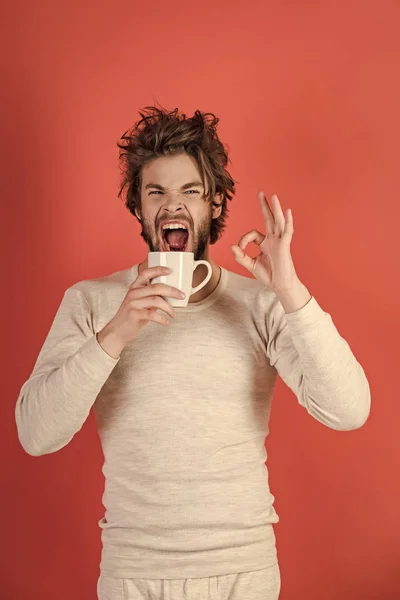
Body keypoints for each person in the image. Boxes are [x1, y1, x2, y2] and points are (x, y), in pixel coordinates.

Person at [15, 106, 371, 600]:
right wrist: (115, 334)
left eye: (190, 191)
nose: (172, 205)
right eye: (156, 191)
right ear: (138, 208)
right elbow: (35, 434)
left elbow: (348, 410)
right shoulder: (92, 302)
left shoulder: (261, 305)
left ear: (216, 205)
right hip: (132, 573)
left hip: (243, 572)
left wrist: (290, 292)